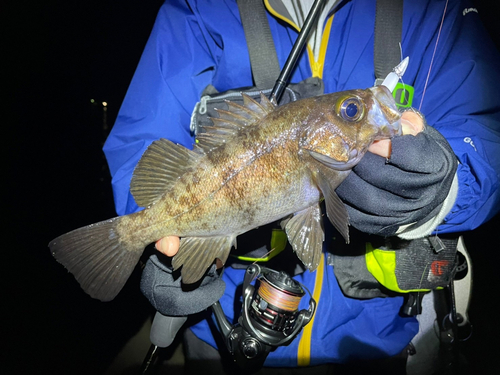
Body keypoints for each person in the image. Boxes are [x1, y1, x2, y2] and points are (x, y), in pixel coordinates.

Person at [103, 0, 500, 373]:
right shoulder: (198, 8)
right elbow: (142, 137)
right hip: (223, 330)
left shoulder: (431, 8)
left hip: (369, 342)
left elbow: (487, 133)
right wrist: (146, 234)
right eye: (351, 111)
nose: (361, 112)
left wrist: (446, 187)